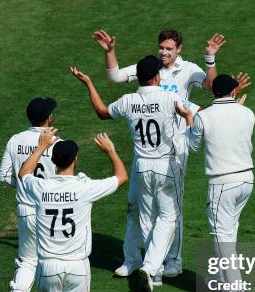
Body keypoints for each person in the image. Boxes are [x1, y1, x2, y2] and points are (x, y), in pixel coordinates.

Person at [92, 28, 228, 278]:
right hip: (143, 153)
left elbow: (209, 86)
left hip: (174, 149)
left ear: (179, 50)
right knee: (136, 206)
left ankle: (172, 260)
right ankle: (134, 259)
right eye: (161, 48)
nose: (164, 52)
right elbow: (115, 76)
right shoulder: (149, 66)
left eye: (169, 49)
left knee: (170, 209)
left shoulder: (188, 70)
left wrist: (210, 59)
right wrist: (110, 51)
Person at [70, 55, 192, 292]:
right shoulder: (169, 97)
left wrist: (89, 84)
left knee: (146, 218)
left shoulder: (128, 101)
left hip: (141, 166)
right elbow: (190, 115)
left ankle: (149, 269)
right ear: (157, 76)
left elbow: (102, 112)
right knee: (168, 217)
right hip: (166, 166)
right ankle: (151, 267)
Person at [18, 128, 127, 292]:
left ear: (53, 161)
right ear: (75, 160)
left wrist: (41, 146)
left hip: (48, 266)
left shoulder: (41, 187)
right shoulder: (84, 187)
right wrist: (111, 150)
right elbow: (121, 177)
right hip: (78, 266)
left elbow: (24, 174)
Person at [183, 74, 255, 292]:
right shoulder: (248, 113)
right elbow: (232, 127)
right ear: (234, 92)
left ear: (214, 92)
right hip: (246, 180)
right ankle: (225, 281)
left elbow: (192, 145)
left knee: (221, 235)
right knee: (230, 232)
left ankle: (235, 291)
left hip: (223, 183)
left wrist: (188, 119)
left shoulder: (204, 116)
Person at [0, 97, 60, 292]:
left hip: (25, 209)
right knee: (52, 260)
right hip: (50, 209)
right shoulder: (56, 143)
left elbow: (4, 176)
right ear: (49, 118)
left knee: (27, 260)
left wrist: (24, 186)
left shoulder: (15, 140)